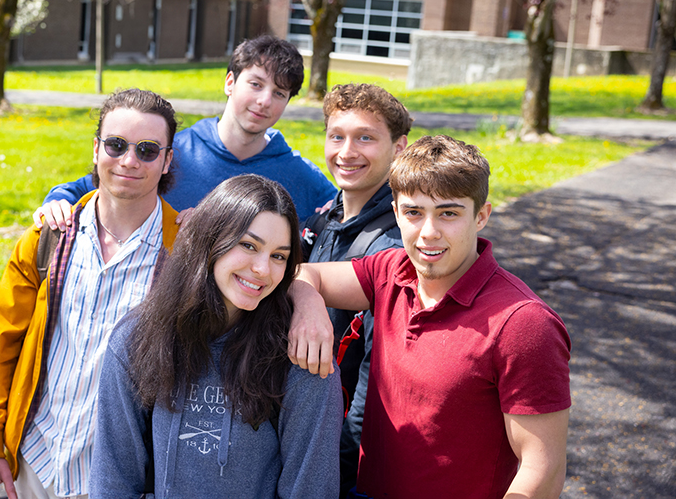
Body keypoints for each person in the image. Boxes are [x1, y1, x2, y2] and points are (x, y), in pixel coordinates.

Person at [294, 135, 572, 499]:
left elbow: (543, 469)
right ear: (396, 213)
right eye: (413, 212)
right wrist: (308, 306)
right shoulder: (389, 270)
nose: (428, 232)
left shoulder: (523, 324)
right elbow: (305, 275)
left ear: (482, 216)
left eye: (449, 213)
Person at [0, 88, 182, 499]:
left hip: (118, 477)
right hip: (32, 462)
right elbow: (0, 342)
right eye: (116, 145)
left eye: (148, 150)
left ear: (168, 159)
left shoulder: (183, 255)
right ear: (96, 148)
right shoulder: (48, 237)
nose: (129, 160)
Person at [89, 174, 343, 498]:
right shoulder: (136, 338)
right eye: (248, 245)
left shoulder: (301, 358)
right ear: (210, 240)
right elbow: (112, 483)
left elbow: (311, 490)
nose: (263, 269)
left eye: (279, 255)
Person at [34, 35, 336, 228]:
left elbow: (348, 216)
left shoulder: (301, 177)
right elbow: (95, 185)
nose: (264, 101)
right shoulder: (165, 152)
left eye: (279, 93)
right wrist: (57, 201)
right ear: (230, 82)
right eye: (255, 84)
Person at [299, 83, 411, 496]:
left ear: (399, 148)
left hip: (345, 460)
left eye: (365, 137)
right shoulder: (326, 217)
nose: (347, 152)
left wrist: (338, 472)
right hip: (311, 432)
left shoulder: (396, 244)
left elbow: (377, 382)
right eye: (337, 136)